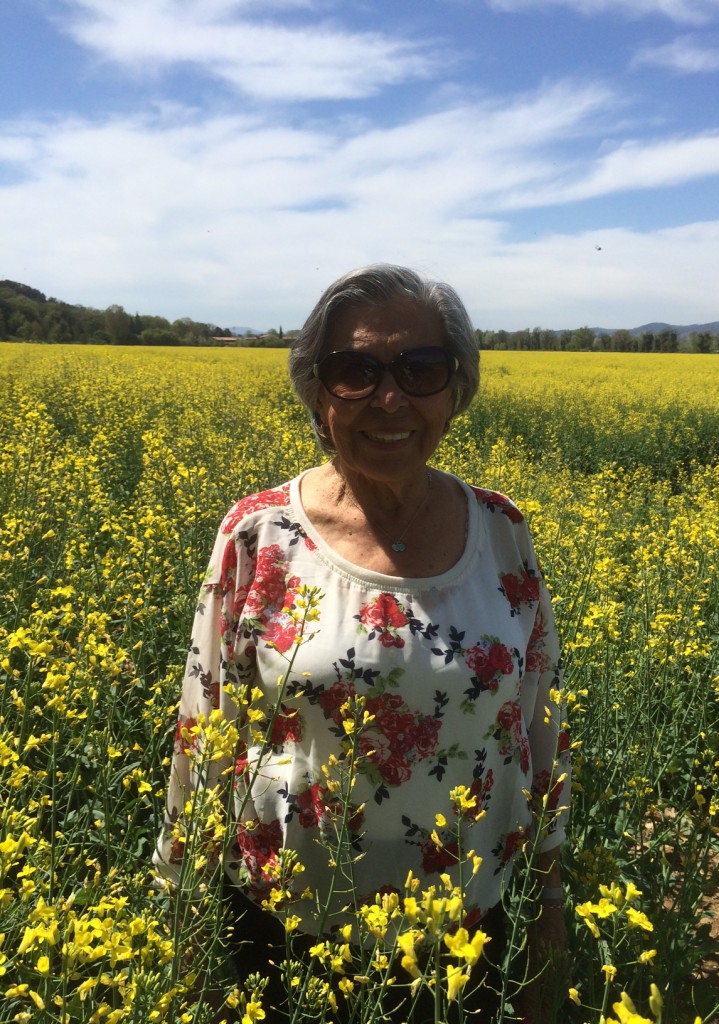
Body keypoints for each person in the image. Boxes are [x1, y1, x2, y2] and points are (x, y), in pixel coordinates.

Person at [154, 264, 571, 1022]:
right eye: (356, 371)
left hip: (467, 923)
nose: (390, 399)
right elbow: (203, 720)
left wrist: (548, 893)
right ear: (317, 392)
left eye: (421, 368)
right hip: (287, 921)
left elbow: (540, 714)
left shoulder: (503, 530)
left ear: (456, 388)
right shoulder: (258, 534)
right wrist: (182, 902)